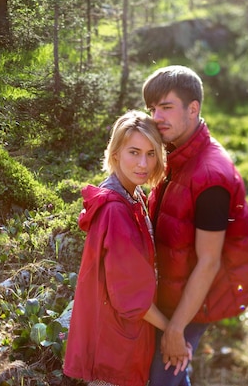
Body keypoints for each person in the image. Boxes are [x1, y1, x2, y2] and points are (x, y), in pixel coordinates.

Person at [143, 65, 248, 386]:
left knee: (160, 380)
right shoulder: (176, 153)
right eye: (152, 108)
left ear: (193, 109)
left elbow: (209, 262)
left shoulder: (210, 176)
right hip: (169, 290)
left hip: (195, 302)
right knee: (174, 377)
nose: (156, 117)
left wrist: (177, 328)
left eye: (166, 107)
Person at [63, 110, 189, 386]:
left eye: (151, 153)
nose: (143, 163)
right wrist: (173, 332)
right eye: (134, 152)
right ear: (116, 152)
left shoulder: (134, 196)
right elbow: (132, 297)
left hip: (124, 339)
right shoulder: (115, 210)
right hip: (114, 351)